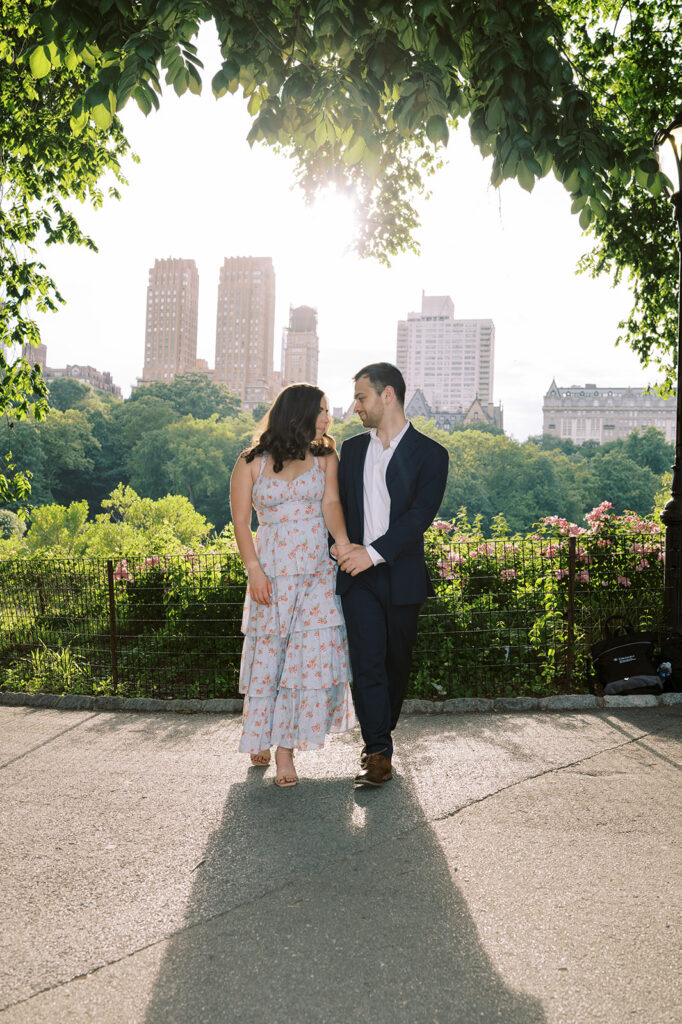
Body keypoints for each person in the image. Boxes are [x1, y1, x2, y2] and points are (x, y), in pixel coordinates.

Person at [230, 384, 355, 787]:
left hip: (317, 573)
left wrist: (342, 544)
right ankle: (260, 733)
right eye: (321, 410)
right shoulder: (251, 462)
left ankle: (285, 751)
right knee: (271, 660)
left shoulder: (324, 457)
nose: (327, 418)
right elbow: (241, 523)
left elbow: (331, 505)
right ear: (297, 413)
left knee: (304, 661)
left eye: (327, 411)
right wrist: (254, 570)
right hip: (271, 574)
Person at [333, 363, 449, 787]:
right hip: (357, 580)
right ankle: (377, 750)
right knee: (367, 664)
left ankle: (383, 726)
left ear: (387, 396)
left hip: (401, 578)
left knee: (395, 665)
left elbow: (419, 516)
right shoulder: (352, 449)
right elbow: (337, 504)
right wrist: (341, 544)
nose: (355, 407)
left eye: (361, 397)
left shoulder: (432, 454)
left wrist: (374, 554)